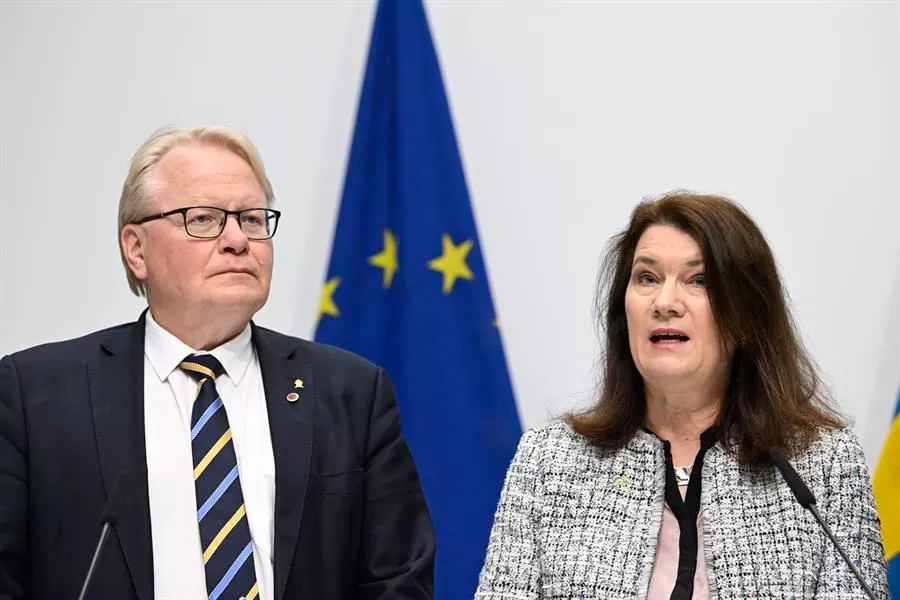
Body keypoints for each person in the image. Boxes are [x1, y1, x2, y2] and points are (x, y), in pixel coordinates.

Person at [0, 126, 435, 600]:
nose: (237, 240)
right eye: (203, 219)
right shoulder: (35, 396)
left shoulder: (350, 392)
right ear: (136, 249)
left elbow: (399, 581)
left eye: (251, 219)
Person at [475, 191, 888, 599]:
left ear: (747, 316)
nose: (665, 302)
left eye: (699, 280)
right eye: (647, 278)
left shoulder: (824, 464)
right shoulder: (549, 461)